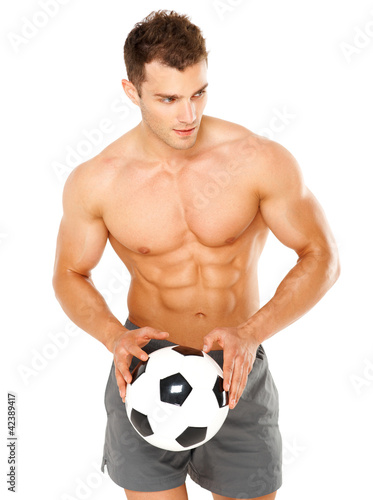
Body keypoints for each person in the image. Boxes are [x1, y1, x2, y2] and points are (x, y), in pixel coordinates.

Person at [52, 9, 340, 500]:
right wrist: (111, 338)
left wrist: (251, 334)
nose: (188, 115)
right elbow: (70, 273)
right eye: (167, 99)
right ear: (131, 91)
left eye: (198, 93)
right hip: (141, 372)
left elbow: (321, 257)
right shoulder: (97, 180)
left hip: (235, 366)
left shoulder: (258, 159)